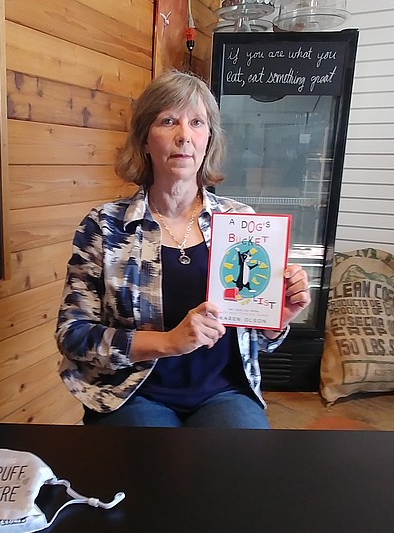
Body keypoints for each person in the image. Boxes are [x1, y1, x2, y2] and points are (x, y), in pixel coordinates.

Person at [55, 70, 310, 428]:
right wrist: (168, 342)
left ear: (209, 140)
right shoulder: (105, 226)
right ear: (145, 140)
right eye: (168, 121)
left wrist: (275, 320)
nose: (183, 136)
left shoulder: (241, 222)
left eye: (196, 122)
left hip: (224, 392)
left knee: (245, 465)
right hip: (133, 392)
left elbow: (259, 339)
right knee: (159, 468)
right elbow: (74, 335)